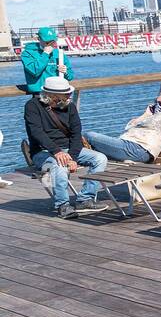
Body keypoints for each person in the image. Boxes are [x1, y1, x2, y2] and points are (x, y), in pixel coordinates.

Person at [23, 76, 107, 218]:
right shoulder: (32, 106)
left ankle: (85, 199)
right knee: (59, 164)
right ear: (51, 95)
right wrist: (56, 152)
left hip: (69, 150)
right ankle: (63, 205)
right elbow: (37, 133)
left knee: (100, 158)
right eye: (66, 93)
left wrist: (73, 157)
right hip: (43, 152)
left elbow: (76, 134)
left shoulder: (70, 106)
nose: (69, 96)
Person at [84, 87, 161, 163]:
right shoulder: (150, 117)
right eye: (156, 103)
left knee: (89, 136)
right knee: (96, 158)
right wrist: (145, 115)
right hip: (127, 145)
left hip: (140, 149)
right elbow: (128, 128)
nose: (158, 105)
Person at [21, 26, 73, 94]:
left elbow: (70, 76)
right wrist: (45, 54)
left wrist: (65, 72)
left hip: (59, 93)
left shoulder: (59, 53)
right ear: (39, 39)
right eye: (47, 42)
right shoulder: (27, 53)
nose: (50, 44)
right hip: (39, 94)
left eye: (52, 41)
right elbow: (34, 71)